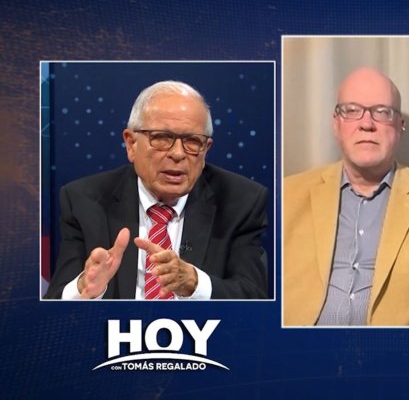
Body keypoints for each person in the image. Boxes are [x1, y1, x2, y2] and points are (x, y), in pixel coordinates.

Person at [283, 67, 409, 325]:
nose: (367, 124)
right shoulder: (287, 195)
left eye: (382, 112)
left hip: (395, 349)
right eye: (351, 110)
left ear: (400, 126)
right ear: (336, 124)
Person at [44, 80, 269, 299]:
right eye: (161, 138)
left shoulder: (241, 202)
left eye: (192, 141)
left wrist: (195, 284)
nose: (178, 154)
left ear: (206, 149)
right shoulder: (84, 201)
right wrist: (84, 287)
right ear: (131, 144)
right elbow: (53, 302)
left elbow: (255, 297)